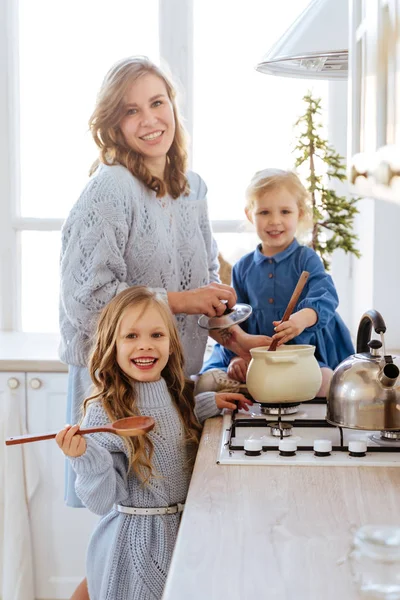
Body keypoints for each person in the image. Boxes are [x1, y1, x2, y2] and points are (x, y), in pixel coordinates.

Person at [59, 56, 270, 599]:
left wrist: (235, 335)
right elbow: (89, 301)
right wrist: (182, 299)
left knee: (152, 530)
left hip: (173, 377)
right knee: (124, 520)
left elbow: (201, 282)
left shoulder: (192, 187)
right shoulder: (108, 190)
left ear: (173, 105)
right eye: (132, 110)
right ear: (112, 124)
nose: (150, 118)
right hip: (121, 382)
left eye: (158, 102)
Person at [56, 286, 252, 600]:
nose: (145, 346)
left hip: (181, 532)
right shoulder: (103, 413)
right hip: (138, 545)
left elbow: (171, 428)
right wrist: (86, 459)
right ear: (112, 345)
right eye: (131, 336)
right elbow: (101, 501)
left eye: (156, 335)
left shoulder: (176, 391)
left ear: (172, 344)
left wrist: (206, 404)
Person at [197, 168, 355, 398]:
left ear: (299, 214)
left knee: (325, 382)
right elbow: (235, 320)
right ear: (250, 215)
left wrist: (302, 319)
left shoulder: (306, 258)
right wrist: (238, 357)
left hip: (304, 351)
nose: (275, 221)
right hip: (259, 353)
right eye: (264, 212)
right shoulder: (243, 267)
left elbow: (326, 295)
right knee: (210, 382)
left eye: (285, 211)